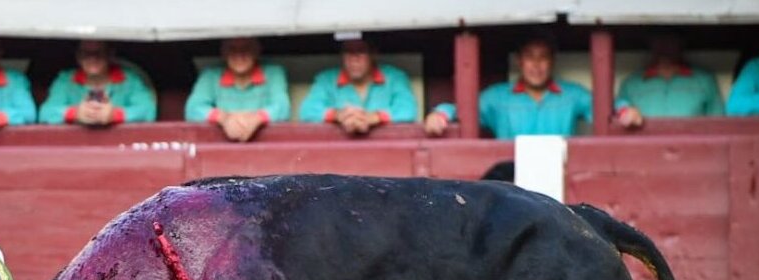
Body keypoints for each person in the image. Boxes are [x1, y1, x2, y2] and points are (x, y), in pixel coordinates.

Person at [425, 36, 644, 139]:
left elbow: (607, 107)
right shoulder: (497, 97)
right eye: (530, 58)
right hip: (512, 184)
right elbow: (461, 110)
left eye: (543, 58)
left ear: (552, 61)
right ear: (519, 62)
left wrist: (626, 110)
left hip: (562, 178)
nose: (537, 65)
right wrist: (440, 114)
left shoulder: (572, 94)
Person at [299, 37, 418, 134]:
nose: (354, 59)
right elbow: (307, 111)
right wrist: (338, 115)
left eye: (361, 51)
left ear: (373, 54)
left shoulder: (394, 77)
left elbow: (408, 110)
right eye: (348, 52)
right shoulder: (326, 79)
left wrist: (373, 117)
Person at [185, 37, 291, 142]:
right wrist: (224, 119)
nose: (240, 55)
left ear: (257, 51)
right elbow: (192, 109)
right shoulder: (211, 75)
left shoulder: (274, 72)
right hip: (222, 145)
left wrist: (256, 119)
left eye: (247, 48)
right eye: (232, 49)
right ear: (224, 53)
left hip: (265, 144)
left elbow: (282, 106)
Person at [39, 40, 157, 125]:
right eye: (86, 54)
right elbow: (46, 113)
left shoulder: (130, 79)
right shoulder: (65, 80)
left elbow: (148, 110)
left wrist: (115, 115)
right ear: (78, 56)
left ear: (110, 54)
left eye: (99, 53)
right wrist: (75, 113)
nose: (92, 59)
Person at [618, 33, 725, 117]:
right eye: (658, 40)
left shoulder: (704, 81)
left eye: (671, 40)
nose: (664, 46)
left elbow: (719, 123)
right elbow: (619, 106)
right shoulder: (632, 83)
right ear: (650, 43)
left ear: (682, 43)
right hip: (647, 145)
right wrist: (625, 111)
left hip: (693, 145)